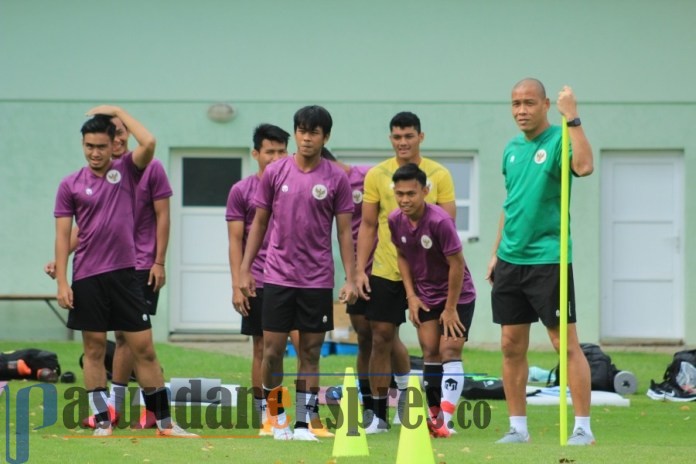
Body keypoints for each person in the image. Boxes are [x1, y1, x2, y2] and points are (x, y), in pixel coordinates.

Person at [53, 107, 195, 437]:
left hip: (126, 277)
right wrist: (62, 280)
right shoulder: (69, 184)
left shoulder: (127, 170)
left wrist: (118, 111)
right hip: (87, 277)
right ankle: (102, 421)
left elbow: (150, 141)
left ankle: (165, 423)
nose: (95, 152)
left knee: (144, 349)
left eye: (101, 146)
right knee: (93, 350)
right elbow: (62, 236)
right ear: (83, 145)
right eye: (89, 146)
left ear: (113, 144)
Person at [238, 105, 358, 441]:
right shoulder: (276, 172)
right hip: (276, 277)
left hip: (317, 280)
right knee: (272, 350)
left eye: (314, 132)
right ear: (297, 133)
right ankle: (275, 418)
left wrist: (351, 277)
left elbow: (345, 232)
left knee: (310, 353)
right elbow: (259, 222)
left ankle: (305, 422)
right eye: (302, 131)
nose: (307, 138)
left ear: (325, 137)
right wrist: (246, 270)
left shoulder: (336, 178)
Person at [486, 79, 595, 445]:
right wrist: (495, 254)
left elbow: (584, 166)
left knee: (564, 343)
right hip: (510, 261)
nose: (521, 110)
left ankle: (583, 427)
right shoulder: (511, 149)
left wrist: (574, 117)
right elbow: (510, 203)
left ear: (546, 105)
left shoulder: (561, 137)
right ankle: (518, 428)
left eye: (529, 103)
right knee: (510, 345)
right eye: (515, 103)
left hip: (549, 259)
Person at [355, 111, 456, 432]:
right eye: (397, 137)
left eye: (408, 136)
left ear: (420, 137)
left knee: (436, 348)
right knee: (379, 337)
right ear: (390, 139)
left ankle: (439, 418)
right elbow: (369, 225)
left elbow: (448, 228)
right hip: (387, 269)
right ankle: (380, 417)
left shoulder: (439, 174)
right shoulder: (376, 175)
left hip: (430, 278)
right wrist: (359, 270)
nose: (403, 142)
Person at [227, 123, 311, 437]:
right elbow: (236, 240)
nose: (275, 157)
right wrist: (238, 281)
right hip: (259, 282)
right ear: (256, 154)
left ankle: (306, 415)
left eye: (280, 151)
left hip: (299, 279)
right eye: (268, 151)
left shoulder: (299, 184)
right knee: (262, 348)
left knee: (306, 346)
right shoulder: (241, 191)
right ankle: (267, 412)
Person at [388, 163, 476, 438]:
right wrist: (411, 296)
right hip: (424, 296)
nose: (405, 199)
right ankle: (435, 415)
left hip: (458, 295)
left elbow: (457, 265)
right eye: (400, 193)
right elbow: (402, 255)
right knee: (430, 353)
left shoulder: (440, 221)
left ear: (425, 191)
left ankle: (445, 420)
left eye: (411, 193)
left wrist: (450, 309)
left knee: (449, 350)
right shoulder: (394, 220)